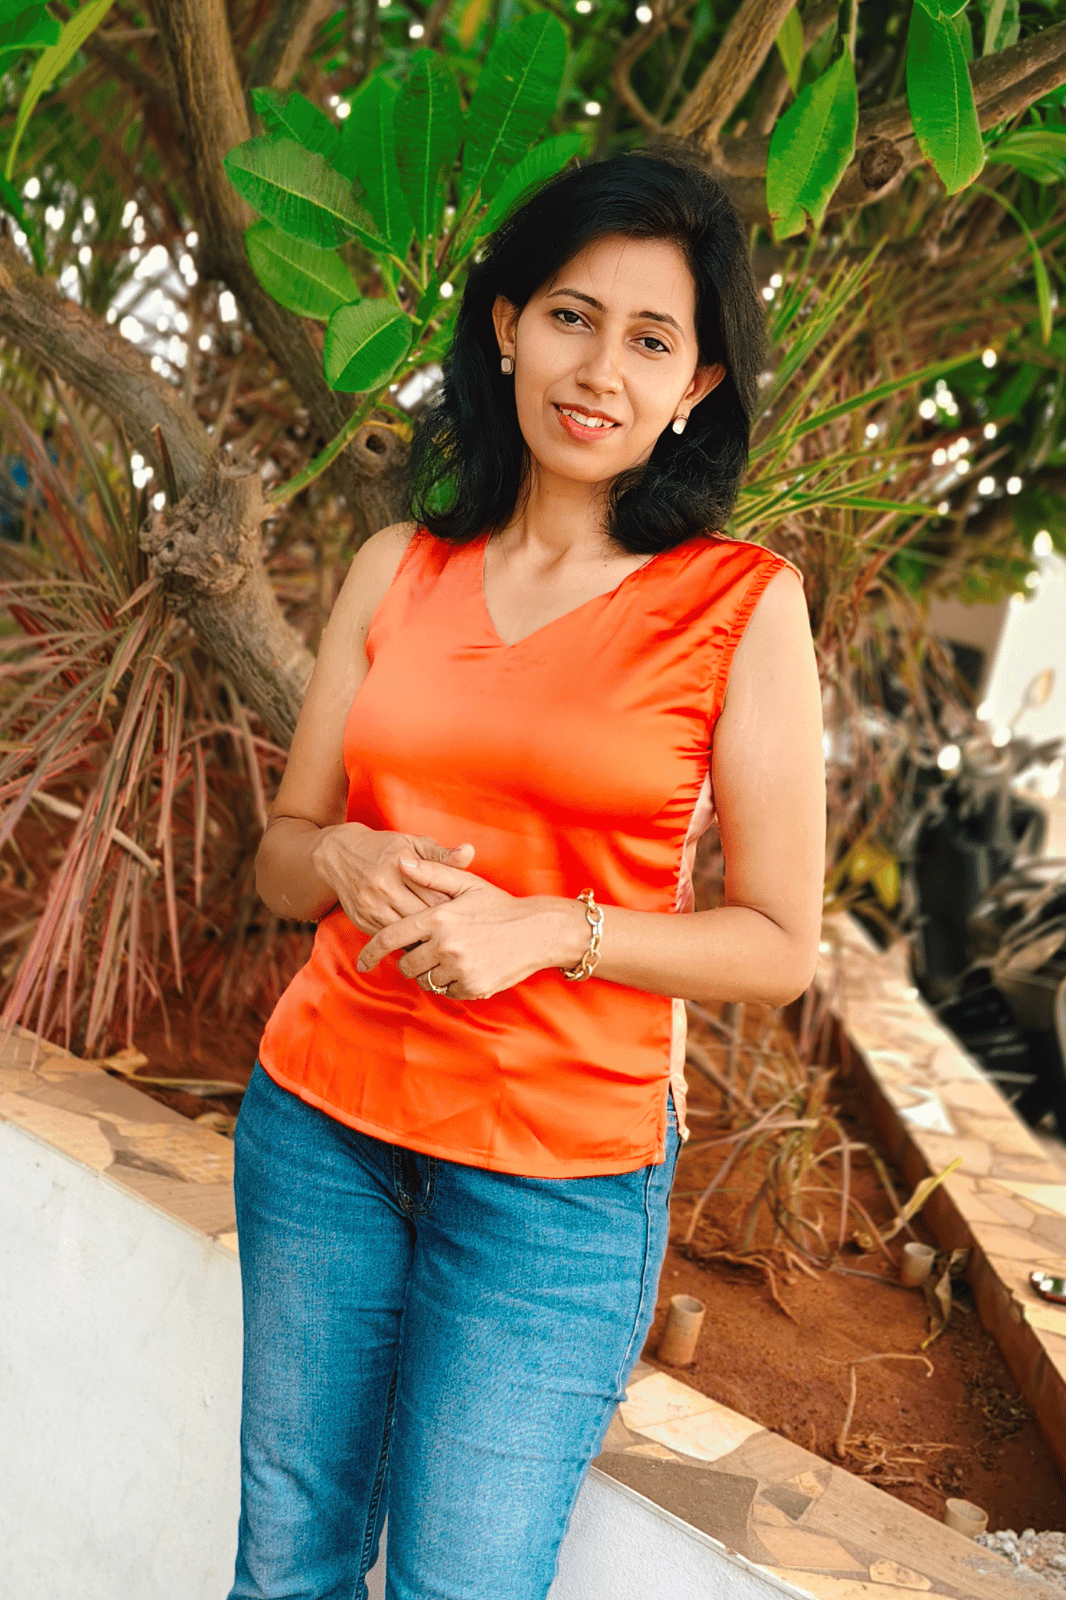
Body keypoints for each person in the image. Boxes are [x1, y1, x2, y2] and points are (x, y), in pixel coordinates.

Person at [228, 146, 826, 1600]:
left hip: (553, 1186)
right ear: (502, 324)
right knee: (286, 1558)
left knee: (459, 1584)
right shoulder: (396, 567)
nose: (598, 371)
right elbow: (278, 861)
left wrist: (554, 933)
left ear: (694, 387)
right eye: (570, 316)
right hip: (321, 1129)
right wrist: (350, 856)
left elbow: (776, 944)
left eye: (649, 340)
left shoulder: (738, 607)